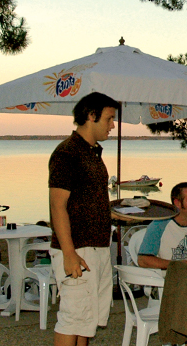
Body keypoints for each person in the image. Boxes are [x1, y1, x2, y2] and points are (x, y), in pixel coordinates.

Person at [48, 92, 119, 346]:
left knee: (86, 323)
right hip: (78, 249)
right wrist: (68, 253)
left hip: (97, 248)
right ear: (91, 116)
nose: (113, 125)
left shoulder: (92, 154)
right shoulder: (67, 153)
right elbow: (58, 206)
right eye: (110, 118)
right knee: (72, 319)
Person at [137, 182, 187, 269]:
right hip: (168, 278)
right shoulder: (159, 225)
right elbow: (143, 260)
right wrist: (179, 265)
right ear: (177, 203)